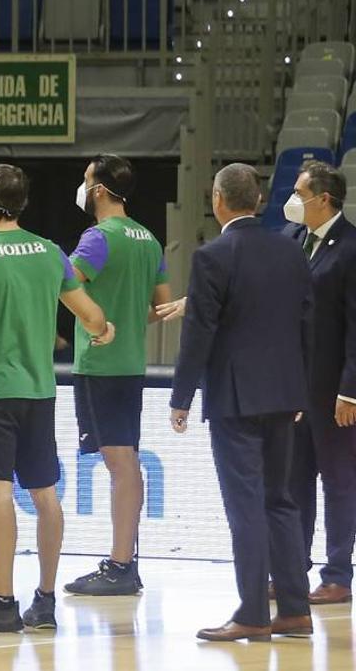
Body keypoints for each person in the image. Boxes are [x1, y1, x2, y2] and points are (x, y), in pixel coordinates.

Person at [0, 164, 114, 634]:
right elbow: (90, 316)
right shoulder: (51, 253)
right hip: (40, 392)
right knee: (45, 495)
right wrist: (104, 328)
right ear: (24, 203)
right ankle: (45, 601)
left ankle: (2, 601)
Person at [169, 163, 313, 642]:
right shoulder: (293, 252)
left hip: (235, 398)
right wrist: (301, 389)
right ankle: (294, 609)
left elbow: (199, 334)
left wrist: (181, 396)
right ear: (258, 200)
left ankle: (253, 612)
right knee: (282, 502)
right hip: (285, 394)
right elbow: (306, 325)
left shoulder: (213, 257)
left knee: (246, 507)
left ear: (218, 199)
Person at [63, 155, 172, 596]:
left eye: (86, 179)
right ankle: (124, 560)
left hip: (101, 364)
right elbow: (163, 306)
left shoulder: (97, 237)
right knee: (123, 462)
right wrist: (125, 319)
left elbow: (61, 285)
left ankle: (121, 564)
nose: (82, 187)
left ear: (99, 190)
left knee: (120, 464)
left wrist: (97, 324)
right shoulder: (148, 239)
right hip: (130, 364)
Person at [283, 160, 356, 605]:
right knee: (294, 483)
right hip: (293, 389)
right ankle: (293, 571)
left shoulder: (351, 247)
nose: (292, 201)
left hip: (334, 392)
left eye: (299, 193)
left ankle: (337, 575)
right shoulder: (292, 240)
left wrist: (350, 389)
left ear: (323, 199)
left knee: (339, 482)